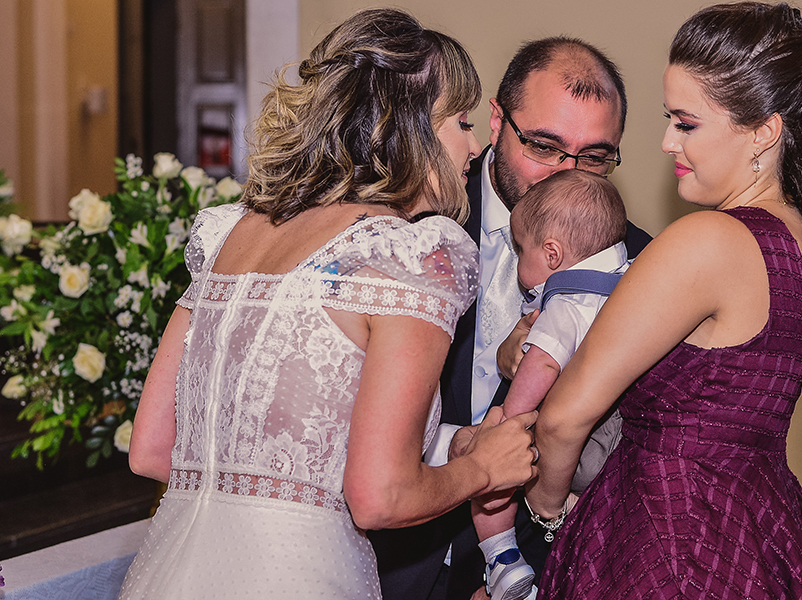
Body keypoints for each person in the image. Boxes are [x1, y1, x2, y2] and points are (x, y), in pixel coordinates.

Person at [118, 9, 539, 599]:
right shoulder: (410, 254)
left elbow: (154, 449)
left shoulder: (229, 236)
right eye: (462, 121)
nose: (475, 145)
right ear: (410, 127)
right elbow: (380, 496)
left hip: (170, 572)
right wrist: (483, 468)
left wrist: (449, 444)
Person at [527, 3, 802, 598]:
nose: (665, 142)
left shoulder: (708, 239)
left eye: (686, 124)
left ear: (764, 132)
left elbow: (564, 418)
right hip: (754, 533)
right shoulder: (794, 240)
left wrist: (547, 517)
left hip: (667, 545)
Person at [369, 36, 652, 600]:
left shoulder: (641, 269)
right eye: (544, 145)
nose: (564, 174)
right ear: (496, 121)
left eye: (595, 157)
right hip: (385, 554)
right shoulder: (404, 220)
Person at [473, 169, 630, 600]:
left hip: (569, 448)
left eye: (522, 249)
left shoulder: (568, 303)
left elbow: (541, 363)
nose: (519, 260)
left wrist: (510, 419)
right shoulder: (633, 281)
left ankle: (502, 559)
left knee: (486, 470)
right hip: (617, 446)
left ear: (553, 254)